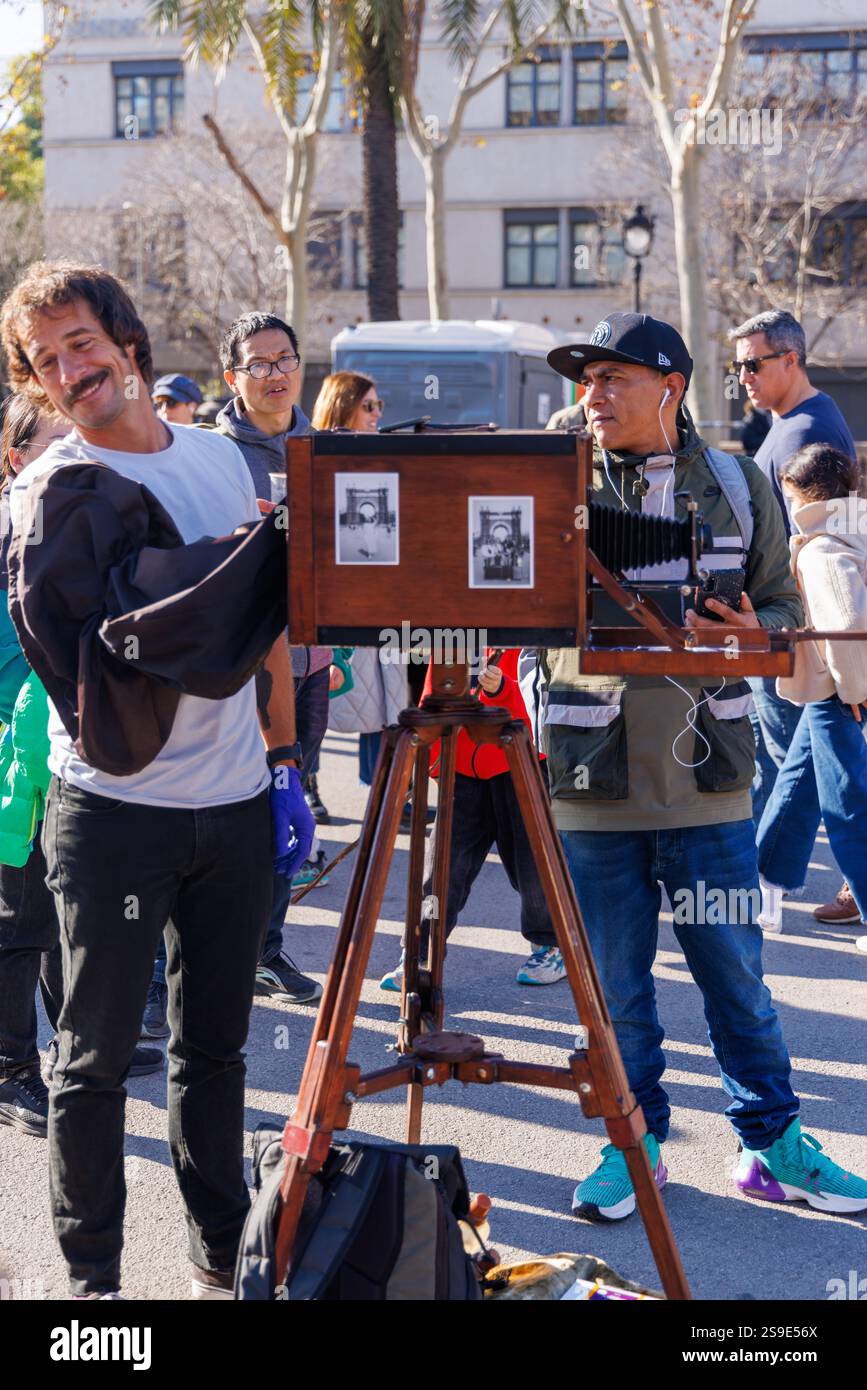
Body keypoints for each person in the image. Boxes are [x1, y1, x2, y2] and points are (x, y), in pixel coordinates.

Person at [0, 261, 314, 1299]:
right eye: (46, 361)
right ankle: (93, 1285)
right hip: (114, 813)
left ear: (126, 341)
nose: (68, 369)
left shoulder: (227, 463)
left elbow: (266, 628)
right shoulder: (52, 493)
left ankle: (219, 1260)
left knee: (214, 1052)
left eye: (79, 342)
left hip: (227, 809)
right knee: (88, 1061)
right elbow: (67, 665)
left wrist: (280, 764)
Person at [543, 311, 867, 1222]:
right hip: (589, 783)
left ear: (669, 388)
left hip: (709, 785)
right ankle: (630, 1143)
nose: (592, 394)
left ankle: (770, 1145)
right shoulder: (549, 479)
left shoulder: (733, 479)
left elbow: (780, 600)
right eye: (586, 379)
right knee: (614, 993)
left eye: (612, 378)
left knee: (737, 983)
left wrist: (762, 630)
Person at [0, 397, 166, 1135]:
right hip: (12, 750)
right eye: (55, 441)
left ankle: (76, 1038)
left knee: (74, 907)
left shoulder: (86, 523)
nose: (76, 454)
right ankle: (10, 1071)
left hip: (71, 743)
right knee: (21, 914)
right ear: (14, 456)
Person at [214, 311, 331, 1006]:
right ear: (233, 378)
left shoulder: (325, 450)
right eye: (257, 363)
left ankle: (268, 948)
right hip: (241, 666)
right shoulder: (210, 453)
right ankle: (212, 954)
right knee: (232, 806)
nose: (274, 373)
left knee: (289, 807)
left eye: (283, 358)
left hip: (309, 660)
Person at [728, 311, 859, 888]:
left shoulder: (806, 430)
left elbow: (829, 542)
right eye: (737, 367)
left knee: (800, 770)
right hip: (795, 626)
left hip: (796, 628)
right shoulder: (797, 422)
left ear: (791, 359)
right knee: (805, 770)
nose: (744, 377)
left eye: (753, 364)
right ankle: (770, 882)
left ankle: (758, 888)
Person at [379, 650, 561, 993]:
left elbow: (541, 710)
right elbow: (432, 698)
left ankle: (550, 944)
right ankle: (418, 955)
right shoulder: (455, 633)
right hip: (460, 768)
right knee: (441, 870)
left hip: (521, 764)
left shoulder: (535, 635)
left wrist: (501, 691)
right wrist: (429, 760)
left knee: (534, 866)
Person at [756, 445, 867, 943]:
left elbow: (847, 625)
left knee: (847, 804)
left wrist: (855, 692)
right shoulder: (854, 528)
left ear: (797, 492)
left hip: (839, 690)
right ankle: (764, 886)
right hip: (834, 687)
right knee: (797, 784)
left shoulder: (820, 546)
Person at [311, 371, 384, 433]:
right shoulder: (311, 448)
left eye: (379, 405)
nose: (378, 414)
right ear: (344, 409)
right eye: (369, 405)